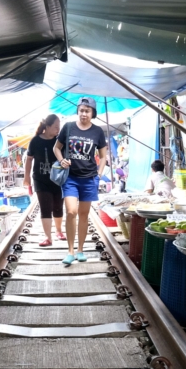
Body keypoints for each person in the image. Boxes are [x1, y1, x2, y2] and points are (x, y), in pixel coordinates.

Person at [53, 97, 108, 265]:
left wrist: (99, 175)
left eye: (87, 111)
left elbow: (103, 156)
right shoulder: (68, 127)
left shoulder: (97, 131)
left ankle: (80, 250)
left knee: (84, 215)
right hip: (70, 177)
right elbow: (56, 148)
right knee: (71, 212)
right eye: (81, 110)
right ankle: (70, 251)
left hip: (89, 178)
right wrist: (62, 160)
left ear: (92, 113)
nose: (84, 113)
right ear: (78, 111)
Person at [23, 114, 66, 246]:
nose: (58, 130)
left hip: (58, 179)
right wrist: (26, 177)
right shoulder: (35, 141)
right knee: (45, 208)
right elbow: (29, 159)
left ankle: (59, 231)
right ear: (47, 127)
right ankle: (48, 237)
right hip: (41, 180)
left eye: (59, 127)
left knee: (58, 207)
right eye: (55, 127)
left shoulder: (60, 141)